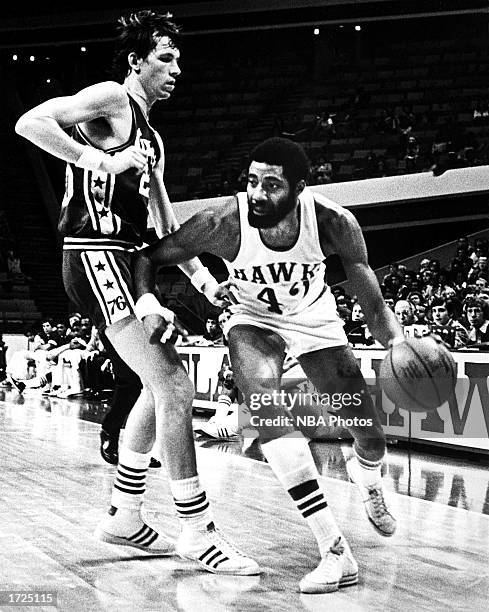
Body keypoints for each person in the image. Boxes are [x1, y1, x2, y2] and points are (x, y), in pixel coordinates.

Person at [15, 9, 258, 576]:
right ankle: (197, 529)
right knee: (173, 382)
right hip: (93, 253)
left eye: (178, 60)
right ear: (136, 62)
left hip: (126, 259)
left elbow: (162, 219)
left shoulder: (152, 135)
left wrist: (205, 282)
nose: (176, 70)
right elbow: (30, 123)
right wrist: (99, 159)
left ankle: (125, 514)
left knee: (158, 383)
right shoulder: (112, 99)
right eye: (165, 59)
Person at [133, 137, 407, 593]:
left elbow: (374, 306)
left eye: (272, 185)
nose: (258, 194)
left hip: (314, 318)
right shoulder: (223, 222)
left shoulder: (334, 222)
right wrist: (148, 302)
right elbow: (149, 257)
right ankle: (335, 550)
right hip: (250, 318)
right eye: (252, 181)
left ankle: (368, 476)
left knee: (366, 430)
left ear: (300, 188)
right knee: (267, 408)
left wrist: (397, 342)